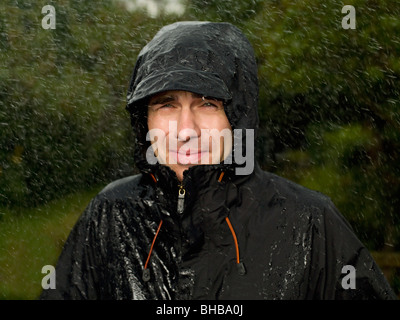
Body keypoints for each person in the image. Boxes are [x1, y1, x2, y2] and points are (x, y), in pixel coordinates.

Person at [40, 21, 397, 300]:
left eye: (207, 104)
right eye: (167, 105)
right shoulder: (110, 214)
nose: (185, 130)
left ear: (239, 116)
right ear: (144, 120)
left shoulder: (309, 222)